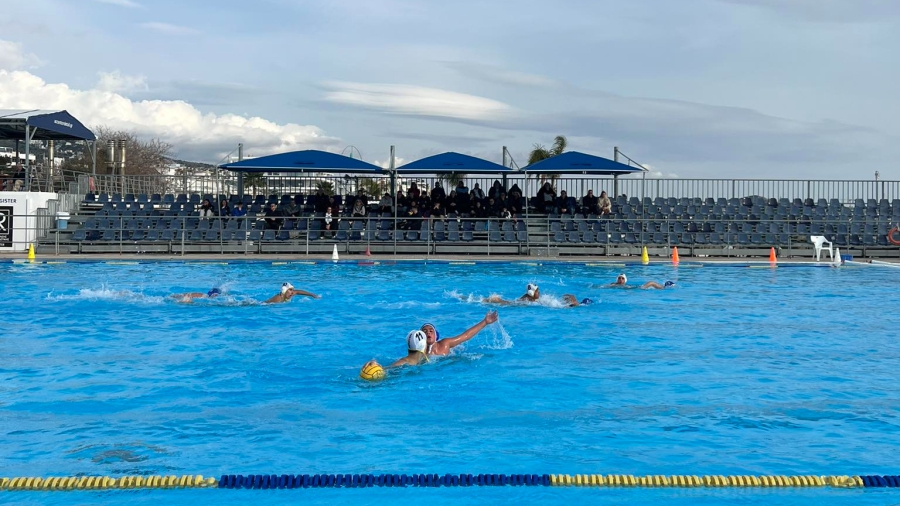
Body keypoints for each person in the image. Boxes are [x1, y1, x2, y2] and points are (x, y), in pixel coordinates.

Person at [420, 310, 499, 356]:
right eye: (425, 331)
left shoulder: (445, 344)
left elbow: (466, 336)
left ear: (436, 335)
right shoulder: (420, 351)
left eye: (431, 331)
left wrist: (485, 322)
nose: (428, 333)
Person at [361, 330, 430, 372]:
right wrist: (374, 365)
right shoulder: (402, 364)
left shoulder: (423, 360)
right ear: (423, 345)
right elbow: (385, 370)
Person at [608, 273, 675, 289]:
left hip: (637, 288)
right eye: (619, 278)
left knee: (651, 283)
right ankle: (664, 287)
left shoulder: (621, 285)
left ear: (625, 280)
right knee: (651, 283)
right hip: (637, 289)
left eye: (622, 278)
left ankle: (664, 287)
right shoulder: (614, 284)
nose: (620, 280)